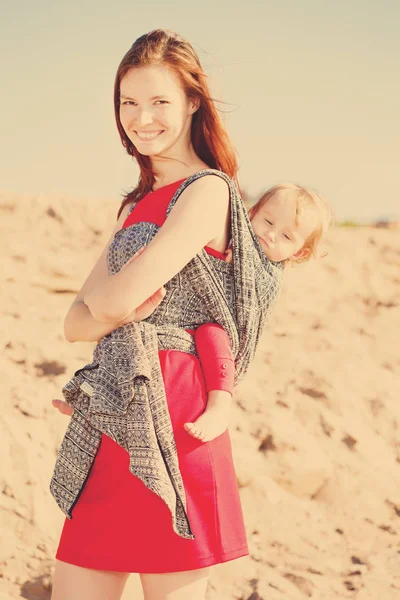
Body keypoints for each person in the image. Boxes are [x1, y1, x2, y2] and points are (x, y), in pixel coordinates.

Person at [50, 29, 256, 600]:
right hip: (114, 415)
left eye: (159, 101)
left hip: (179, 419)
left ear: (194, 102)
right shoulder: (136, 204)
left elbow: (105, 306)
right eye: (128, 102)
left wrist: (108, 309)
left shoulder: (208, 190)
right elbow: (73, 324)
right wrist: (108, 309)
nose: (141, 118)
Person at [183, 182, 332, 442]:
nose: (271, 234)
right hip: (187, 316)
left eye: (286, 236)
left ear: (299, 252)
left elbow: (249, 296)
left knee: (213, 335)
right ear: (250, 214)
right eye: (268, 221)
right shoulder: (235, 236)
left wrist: (239, 260)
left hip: (224, 334)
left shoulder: (271, 272)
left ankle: (219, 406)